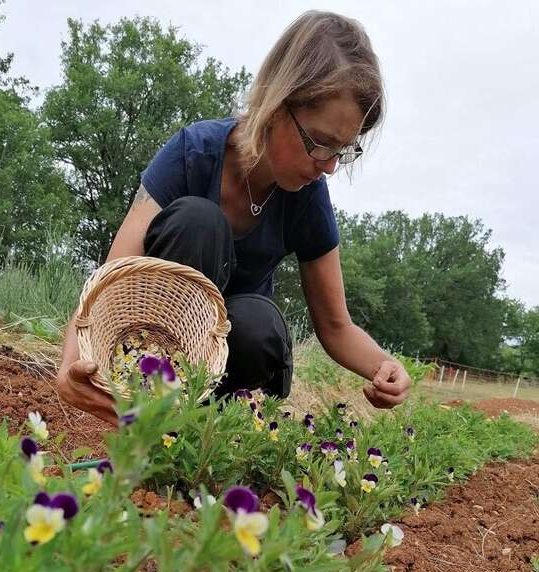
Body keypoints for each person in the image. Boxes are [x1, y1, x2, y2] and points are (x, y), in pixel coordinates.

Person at [57, 10, 412, 427]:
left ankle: (221, 436)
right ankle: (153, 422)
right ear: (278, 105)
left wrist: (384, 367)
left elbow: (335, 325)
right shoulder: (193, 155)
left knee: (259, 326)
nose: (329, 166)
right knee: (197, 222)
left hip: (238, 367)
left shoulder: (308, 195)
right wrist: (70, 367)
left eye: (344, 151)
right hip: (161, 358)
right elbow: (111, 281)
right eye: (321, 143)